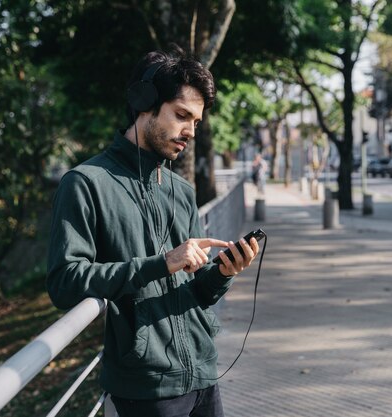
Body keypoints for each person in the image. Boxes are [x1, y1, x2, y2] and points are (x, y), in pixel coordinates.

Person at [46, 48, 261, 417]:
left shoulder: (182, 192)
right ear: (144, 104)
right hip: (145, 389)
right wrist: (162, 263)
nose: (190, 131)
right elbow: (65, 282)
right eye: (181, 116)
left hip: (204, 376)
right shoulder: (85, 184)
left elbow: (196, 292)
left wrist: (223, 272)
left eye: (195, 121)